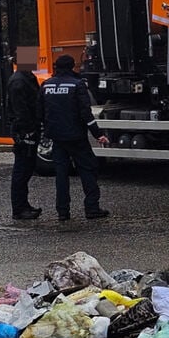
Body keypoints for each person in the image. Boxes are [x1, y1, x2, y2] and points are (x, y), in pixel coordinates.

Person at [38, 54, 110, 220]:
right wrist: (98, 135)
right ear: (72, 67)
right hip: (76, 137)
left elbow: (40, 112)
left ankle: (63, 212)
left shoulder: (46, 85)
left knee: (61, 175)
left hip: (57, 138)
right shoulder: (77, 85)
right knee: (88, 169)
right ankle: (92, 208)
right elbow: (85, 113)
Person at [7, 64, 42, 219]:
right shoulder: (19, 82)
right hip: (24, 129)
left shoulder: (26, 78)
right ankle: (19, 209)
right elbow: (20, 108)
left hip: (27, 127)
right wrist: (28, 130)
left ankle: (23, 205)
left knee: (26, 169)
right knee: (21, 170)